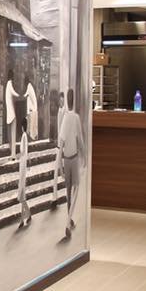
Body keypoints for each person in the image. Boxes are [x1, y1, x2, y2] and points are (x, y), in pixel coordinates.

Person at [58, 89, 85, 239]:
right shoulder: (75, 118)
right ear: (73, 100)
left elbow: (61, 144)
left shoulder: (66, 119)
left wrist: (60, 166)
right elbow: (80, 140)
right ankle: (68, 222)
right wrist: (85, 156)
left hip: (66, 159)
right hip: (72, 159)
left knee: (69, 191)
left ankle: (69, 219)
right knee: (76, 188)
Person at [18, 117, 31, 228]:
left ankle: (24, 218)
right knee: (22, 195)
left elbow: (22, 151)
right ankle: (25, 217)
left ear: (22, 127)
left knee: (21, 195)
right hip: (23, 164)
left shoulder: (23, 136)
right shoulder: (25, 136)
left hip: (22, 165)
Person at [4, 69, 21, 160]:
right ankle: (13, 154)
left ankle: (12, 153)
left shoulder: (7, 86)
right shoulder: (10, 84)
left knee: (10, 136)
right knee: (13, 135)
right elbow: (14, 93)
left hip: (8, 114)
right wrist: (20, 95)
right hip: (12, 115)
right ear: (12, 77)